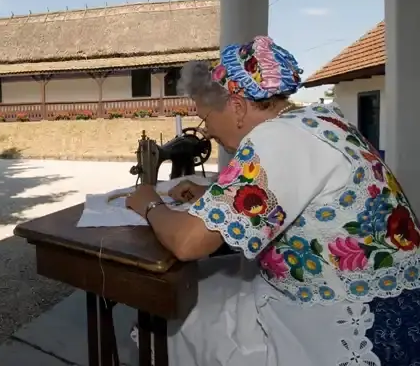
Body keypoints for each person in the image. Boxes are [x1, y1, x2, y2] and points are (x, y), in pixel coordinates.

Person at [125, 35, 420, 366]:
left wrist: (150, 203)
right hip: (396, 292)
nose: (206, 133)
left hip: (359, 313)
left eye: (206, 119)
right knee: (201, 291)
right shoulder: (324, 120)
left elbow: (188, 243)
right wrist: (215, 198)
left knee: (181, 309)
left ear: (237, 107)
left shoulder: (275, 138)